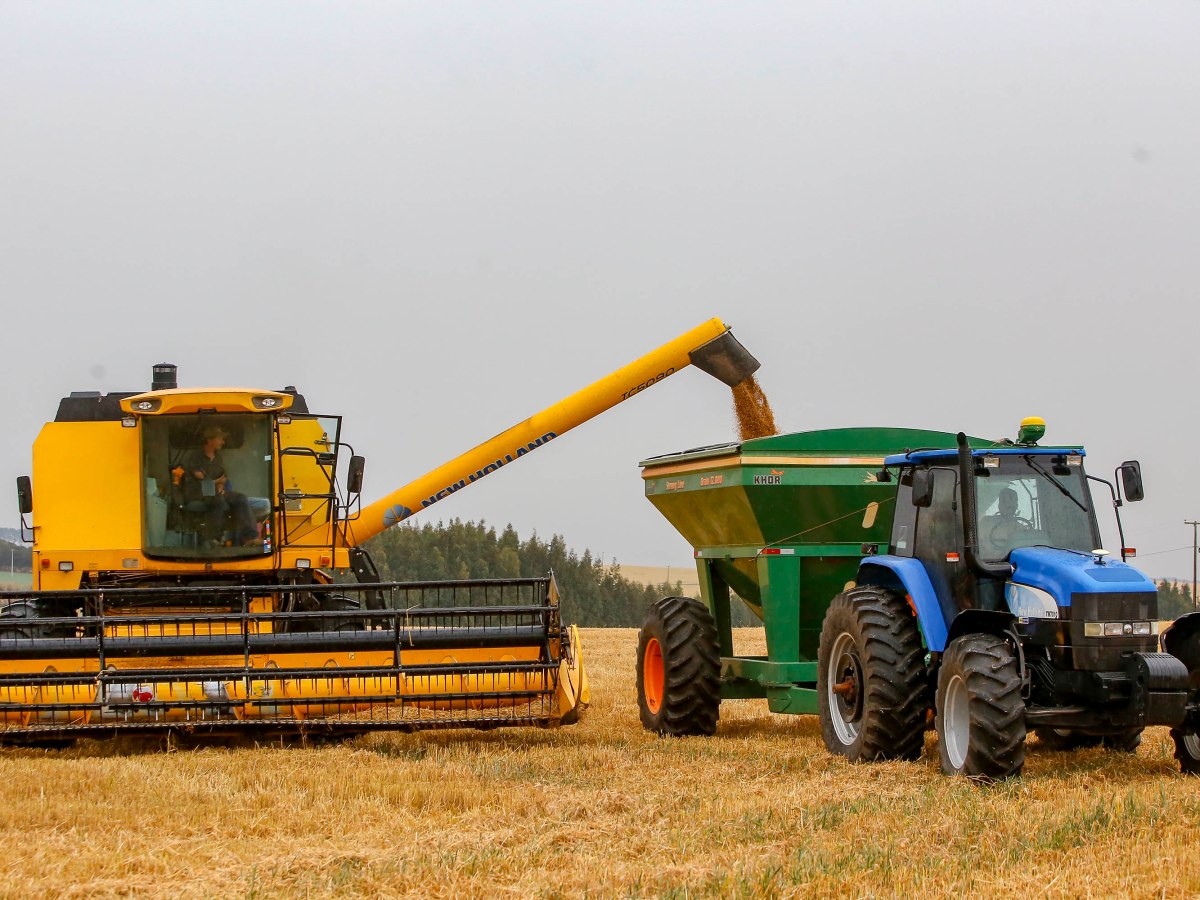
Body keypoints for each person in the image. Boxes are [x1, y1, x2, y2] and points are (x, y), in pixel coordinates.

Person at [183, 425, 257, 546]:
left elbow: (223, 477)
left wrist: (220, 486)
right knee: (219, 500)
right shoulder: (195, 456)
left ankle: (250, 537)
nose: (223, 442)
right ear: (209, 440)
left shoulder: (218, 458)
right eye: (220, 439)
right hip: (198, 493)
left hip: (215, 491)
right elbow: (199, 475)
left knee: (240, 498)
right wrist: (216, 482)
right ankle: (214, 538)